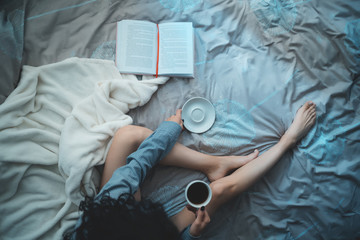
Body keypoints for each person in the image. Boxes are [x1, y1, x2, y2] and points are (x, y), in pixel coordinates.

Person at [64, 101, 317, 240]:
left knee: (128, 137)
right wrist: (194, 234)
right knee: (216, 193)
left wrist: (171, 128)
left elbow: (141, 160)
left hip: (113, 220)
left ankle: (213, 164)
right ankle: (287, 142)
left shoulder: (111, 203)